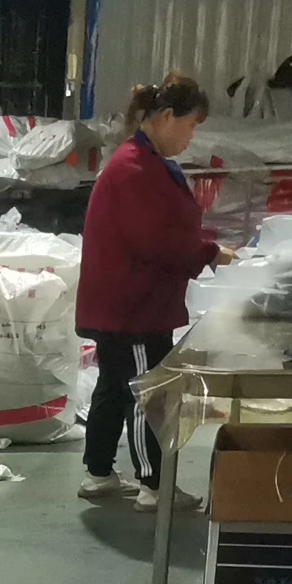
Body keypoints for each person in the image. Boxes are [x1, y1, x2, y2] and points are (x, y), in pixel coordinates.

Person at [75, 71, 233, 511]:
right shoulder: (135, 168)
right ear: (166, 117)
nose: (192, 136)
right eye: (190, 125)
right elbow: (155, 240)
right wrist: (210, 253)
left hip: (122, 303)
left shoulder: (145, 163)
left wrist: (204, 247)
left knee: (114, 385)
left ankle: (98, 473)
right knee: (150, 391)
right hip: (136, 308)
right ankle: (154, 485)